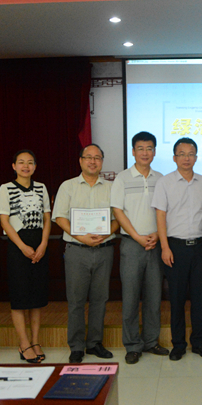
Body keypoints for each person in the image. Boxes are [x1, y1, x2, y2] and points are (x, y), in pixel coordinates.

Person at [54, 143, 119, 364]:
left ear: (102, 162)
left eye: (97, 158)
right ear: (80, 160)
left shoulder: (112, 187)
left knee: (100, 299)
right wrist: (81, 237)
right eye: (88, 157)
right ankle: (76, 346)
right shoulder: (68, 186)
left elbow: (118, 218)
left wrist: (105, 234)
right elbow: (60, 217)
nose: (93, 161)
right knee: (76, 300)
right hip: (76, 250)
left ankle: (94, 343)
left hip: (104, 249)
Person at [151, 137, 202, 361]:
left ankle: (198, 342)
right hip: (175, 247)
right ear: (174, 157)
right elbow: (160, 216)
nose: (186, 158)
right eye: (182, 154)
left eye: (191, 154)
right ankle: (178, 344)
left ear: (196, 157)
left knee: (200, 297)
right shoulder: (164, 183)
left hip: (200, 247)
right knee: (176, 298)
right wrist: (164, 247)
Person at [110, 132, 169, 365]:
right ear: (133, 151)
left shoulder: (161, 179)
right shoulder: (122, 178)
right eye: (141, 148)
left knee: (154, 296)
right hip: (131, 244)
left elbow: (165, 211)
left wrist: (157, 235)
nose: (145, 153)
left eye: (149, 148)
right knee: (131, 296)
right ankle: (133, 345)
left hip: (156, 244)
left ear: (154, 152)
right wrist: (136, 236)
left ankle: (151, 341)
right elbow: (117, 211)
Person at [0, 150, 51, 364]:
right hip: (18, 247)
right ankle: (24, 343)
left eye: (30, 163)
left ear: (35, 166)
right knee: (20, 298)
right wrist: (22, 246)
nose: (25, 166)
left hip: (39, 246)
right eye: (21, 162)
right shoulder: (5, 188)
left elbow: (47, 218)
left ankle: (35, 341)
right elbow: (4, 221)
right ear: (14, 166)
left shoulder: (41, 188)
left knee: (36, 298)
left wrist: (44, 244)